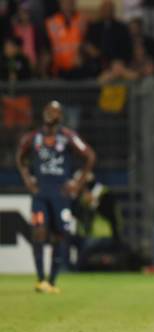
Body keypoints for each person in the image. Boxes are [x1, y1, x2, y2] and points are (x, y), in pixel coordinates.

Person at [15, 100, 96, 293]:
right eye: (49, 111)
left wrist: (78, 184)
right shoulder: (34, 138)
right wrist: (27, 179)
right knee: (39, 231)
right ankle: (40, 279)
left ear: (61, 116)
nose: (52, 114)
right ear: (43, 113)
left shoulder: (68, 137)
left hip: (60, 194)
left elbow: (90, 156)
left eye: (56, 111)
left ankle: (52, 281)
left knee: (60, 235)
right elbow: (20, 156)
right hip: (40, 193)